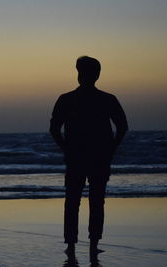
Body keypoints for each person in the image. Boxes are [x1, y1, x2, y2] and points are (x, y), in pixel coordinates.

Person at [49, 56, 128, 256]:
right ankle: (90, 244)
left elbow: (54, 128)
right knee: (95, 201)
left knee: (74, 201)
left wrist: (65, 148)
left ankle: (72, 244)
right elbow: (122, 127)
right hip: (97, 156)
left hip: (78, 156)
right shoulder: (106, 99)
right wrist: (111, 148)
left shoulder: (67, 99)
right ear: (96, 75)